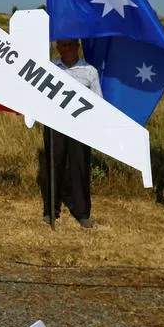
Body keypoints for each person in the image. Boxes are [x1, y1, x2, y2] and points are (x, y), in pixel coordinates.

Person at [41, 39, 100, 229]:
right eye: (63, 45)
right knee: (54, 165)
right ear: (58, 48)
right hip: (54, 124)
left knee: (79, 167)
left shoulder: (89, 71)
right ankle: (51, 210)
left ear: (78, 47)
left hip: (81, 127)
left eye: (71, 45)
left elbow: (98, 101)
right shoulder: (49, 67)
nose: (67, 49)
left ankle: (82, 213)